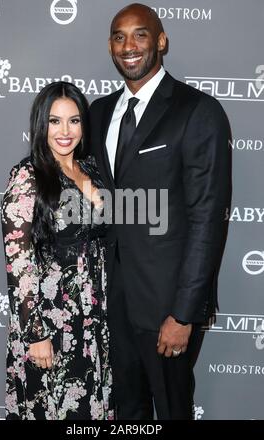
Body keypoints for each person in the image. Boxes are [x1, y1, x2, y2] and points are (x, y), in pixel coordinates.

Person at [90, 3, 232, 420]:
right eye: (119, 36)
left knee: (172, 409)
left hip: (168, 307)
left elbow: (208, 217)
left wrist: (184, 313)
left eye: (140, 34)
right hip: (111, 304)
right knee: (126, 411)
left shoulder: (197, 111)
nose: (128, 45)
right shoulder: (98, 113)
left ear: (161, 41)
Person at [1, 81, 113, 420]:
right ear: (41, 124)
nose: (65, 131)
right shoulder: (28, 176)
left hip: (94, 318)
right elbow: (18, 261)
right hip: (52, 320)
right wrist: (35, 334)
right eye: (55, 121)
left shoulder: (92, 168)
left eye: (74, 120)